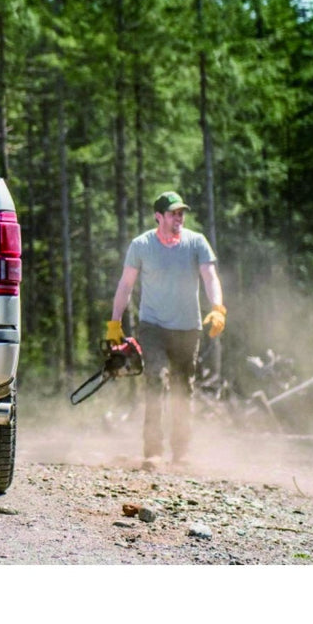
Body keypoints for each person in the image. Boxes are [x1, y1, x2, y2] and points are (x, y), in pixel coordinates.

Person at [108, 191, 226, 469]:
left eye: (181, 212)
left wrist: (218, 308)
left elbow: (210, 276)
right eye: (173, 213)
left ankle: (181, 452)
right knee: (155, 380)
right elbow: (126, 285)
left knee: (183, 388)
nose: (179, 217)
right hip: (153, 327)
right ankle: (153, 452)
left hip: (188, 328)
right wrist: (114, 322)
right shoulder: (141, 245)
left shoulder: (196, 242)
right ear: (158, 217)